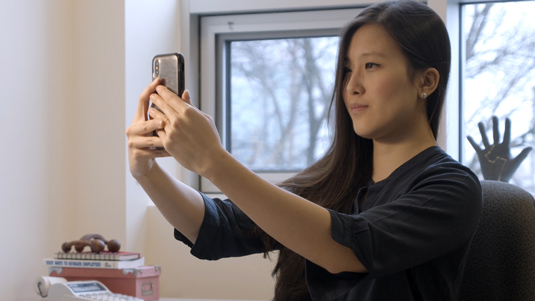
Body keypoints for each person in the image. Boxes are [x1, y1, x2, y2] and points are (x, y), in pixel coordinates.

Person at [126, 0, 482, 300]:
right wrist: (147, 174)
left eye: (371, 66)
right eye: (346, 70)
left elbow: (348, 250)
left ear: (427, 80)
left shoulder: (452, 187)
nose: (352, 86)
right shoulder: (335, 181)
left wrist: (214, 162)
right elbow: (218, 227)